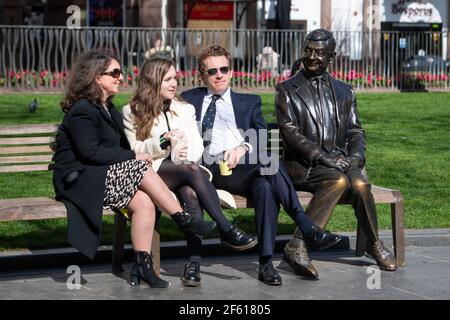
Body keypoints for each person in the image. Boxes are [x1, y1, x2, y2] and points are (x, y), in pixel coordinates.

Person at [52, 50, 216, 289]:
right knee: (140, 165)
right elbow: (90, 152)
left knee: (144, 202)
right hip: (79, 179)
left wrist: (152, 147)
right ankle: (182, 218)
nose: (120, 77)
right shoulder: (83, 110)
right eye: (114, 73)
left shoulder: (107, 108)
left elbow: (118, 147)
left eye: (120, 72)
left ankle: (142, 266)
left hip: (101, 175)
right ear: (97, 77)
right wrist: (133, 156)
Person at [181, 45, 342, 286]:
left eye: (224, 69)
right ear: (202, 75)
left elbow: (261, 135)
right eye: (212, 71)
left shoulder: (248, 101)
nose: (219, 75)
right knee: (269, 165)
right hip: (206, 169)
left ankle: (266, 263)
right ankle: (305, 224)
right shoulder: (189, 100)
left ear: (232, 72)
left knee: (265, 186)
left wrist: (242, 148)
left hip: (242, 167)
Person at [122, 56, 258, 287]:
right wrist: (162, 141)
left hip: (183, 171)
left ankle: (193, 264)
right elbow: (135, 149)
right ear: (153, 81)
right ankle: (226, 228)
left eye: (175, 78)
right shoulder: (131, 110)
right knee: (191, 173)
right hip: (151, 172)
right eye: (167, 79)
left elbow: (196, 145)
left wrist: (184, 153)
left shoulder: (184, 109)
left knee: (191, 192)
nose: (174, 84)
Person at [275, 29, 397, 272]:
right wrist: (323, 157)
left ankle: (373, 243)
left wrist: (356, 157)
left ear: (332, 57)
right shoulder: (286, 90)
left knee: (361, 185)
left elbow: (355, 131)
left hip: (339, 162)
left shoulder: (345, 91)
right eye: (308, 50)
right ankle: (298, 244)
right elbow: (290, 134)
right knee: (339, 181)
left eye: (320, 53)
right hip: (304, 165)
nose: (312, 56)